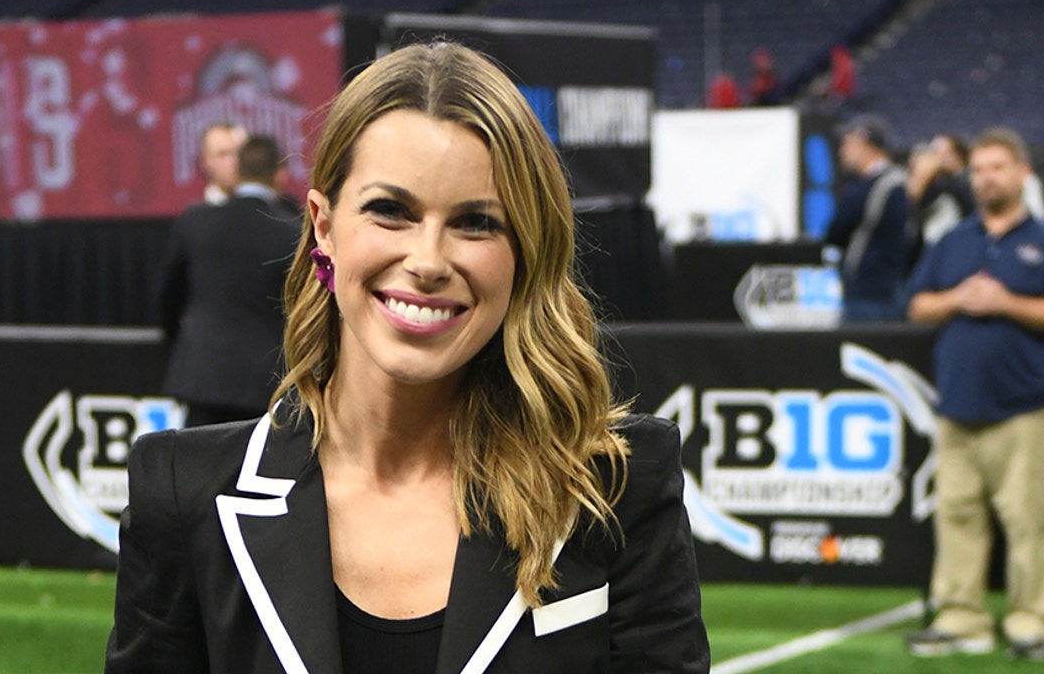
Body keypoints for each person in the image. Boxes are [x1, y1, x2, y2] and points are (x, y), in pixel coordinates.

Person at [107, 41, 710, 673]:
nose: (427, 261)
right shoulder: (182, 492)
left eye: (476, 223)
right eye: (390, 212)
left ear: (526, 251)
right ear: (322, 224)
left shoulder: (616, 488)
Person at [905, 127, 1044, 662]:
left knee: (1027, 521)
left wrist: (1005, 301)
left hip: (1021, 409)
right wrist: (959, 296)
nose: (986, 178)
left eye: (998, 167)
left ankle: (1031, 621)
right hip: (956, 409)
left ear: (1023, 173)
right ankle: (962, 619)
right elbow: (917, 305)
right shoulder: (953, 241)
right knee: (957, 516)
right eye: (978, 169)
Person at [156, 134, 301, 427]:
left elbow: (167, 296)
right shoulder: (293, 232)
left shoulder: (196, 222)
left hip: (203, 378)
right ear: (280, 176)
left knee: (198, 471)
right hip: (267, 385)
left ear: (238, 172)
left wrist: (184, 340)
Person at [824, 114, 910, 322]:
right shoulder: (884, 182)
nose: (842, 152)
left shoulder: (884, 184)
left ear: (866, 144)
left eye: (848, 144)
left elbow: (836, 229)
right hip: (875, 290)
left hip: (874, 293)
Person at [906, 133, 974, 267]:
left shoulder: (964, 182)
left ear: (956, 157)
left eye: (936, 152)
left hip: (957, 255)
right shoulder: (939, 183)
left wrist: (922, 175)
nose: (931, 158)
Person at [197, 122, 248, 204]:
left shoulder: (268, 207)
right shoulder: (197, 214)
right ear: (205, 161)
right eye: (223, 154)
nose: (234, 161)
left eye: (240, 152)